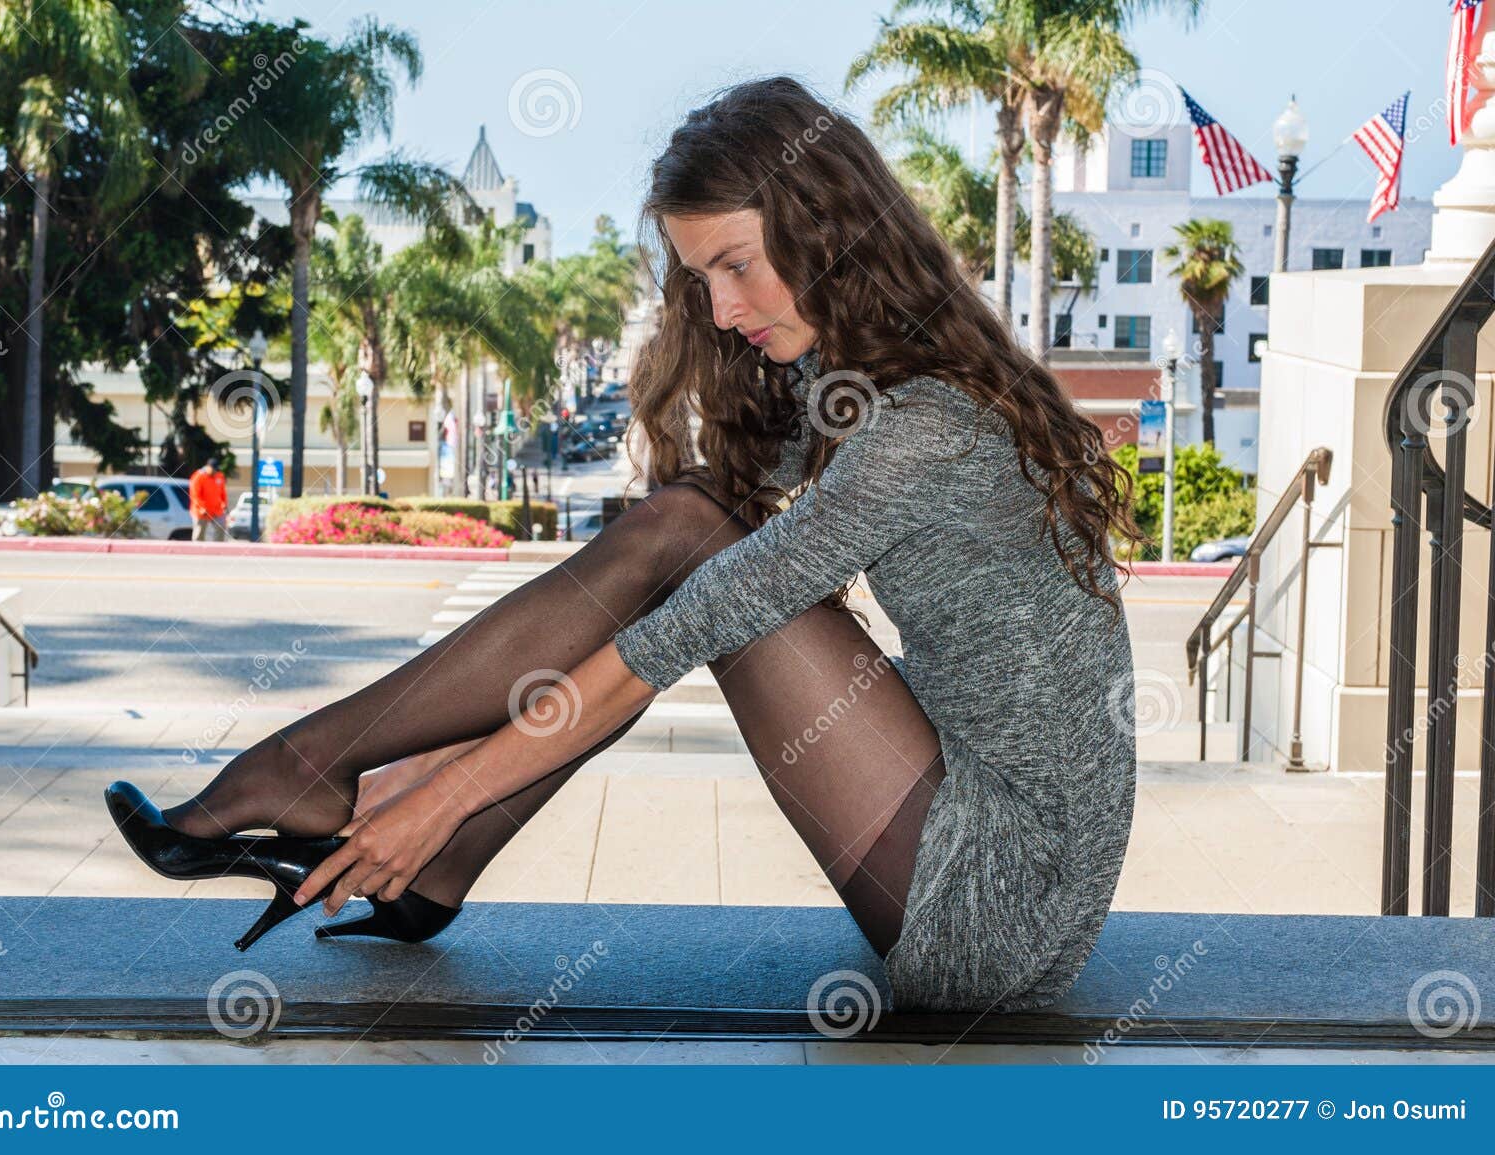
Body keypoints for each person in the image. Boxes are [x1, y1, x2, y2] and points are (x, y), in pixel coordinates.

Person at [105, 76, 1144, 1014]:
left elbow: (679, 621)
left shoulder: (921, 426)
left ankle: (317, 778)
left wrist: (441, 796)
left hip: (994, 904)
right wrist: (431, 775)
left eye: (737, 265)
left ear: (827, 230)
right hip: (994, 847)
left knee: (687, 541)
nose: (723, 309)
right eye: (701, 280)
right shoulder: (881, 387)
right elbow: (693, 545)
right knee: (692, 523)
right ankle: (362, 809)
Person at [188, 456, 228, 542]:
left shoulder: (219, 476)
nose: (215, 472)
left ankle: (218, 549)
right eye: (213, 469)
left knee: (221, 527)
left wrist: (224, 504)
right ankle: (198, 551)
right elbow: (195, 495)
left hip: (216, 509)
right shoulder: (198, 476)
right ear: (208, 467)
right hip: (201, 511)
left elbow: (222, 492)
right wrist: (201, 507)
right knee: (199, 533)